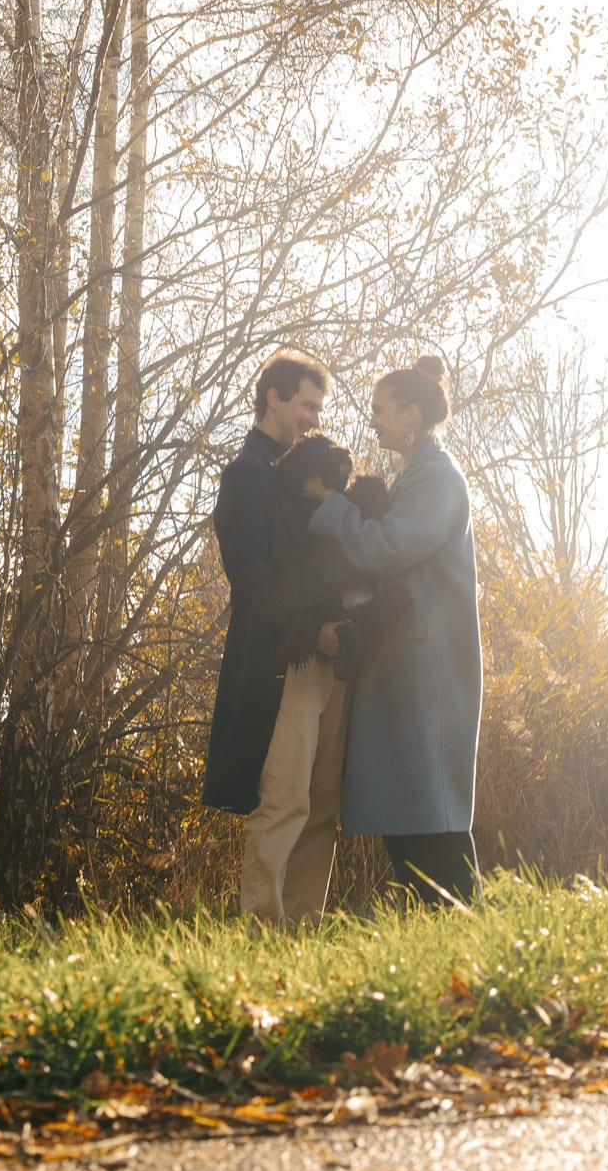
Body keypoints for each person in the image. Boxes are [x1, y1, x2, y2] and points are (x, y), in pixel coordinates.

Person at [302, 353, 483, 905]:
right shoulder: (419, 474)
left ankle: (465, 927)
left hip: (427, 671)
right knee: (411, 811)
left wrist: (331, 507)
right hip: (410, 665)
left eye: (381, 410)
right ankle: (448, 927)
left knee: (430, 811)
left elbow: (388, 548)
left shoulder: (438, 478)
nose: (373, 420)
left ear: (411, 415)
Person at [202, 348, 351, 923]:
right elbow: (252, 576)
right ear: (274, 398)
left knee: (324, 801)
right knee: (286, 796)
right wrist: (315, 632)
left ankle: (305, 926)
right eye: (307, 405)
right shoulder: (247, 474)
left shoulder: (305, 474)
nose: (315, 418)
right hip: (286, 659)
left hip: (331, 658)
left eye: (319, 408)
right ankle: (263, 927)